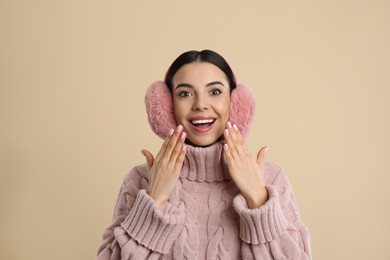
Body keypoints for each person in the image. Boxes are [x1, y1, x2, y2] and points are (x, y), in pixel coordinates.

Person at [96, 50, 312, 259]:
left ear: (237, 104)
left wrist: (258, 199)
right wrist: (156, 199)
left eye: (215, 92)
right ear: (166, 106)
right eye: (185, 93)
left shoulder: (269, 178)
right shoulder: (142, 179)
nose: (200, 105)